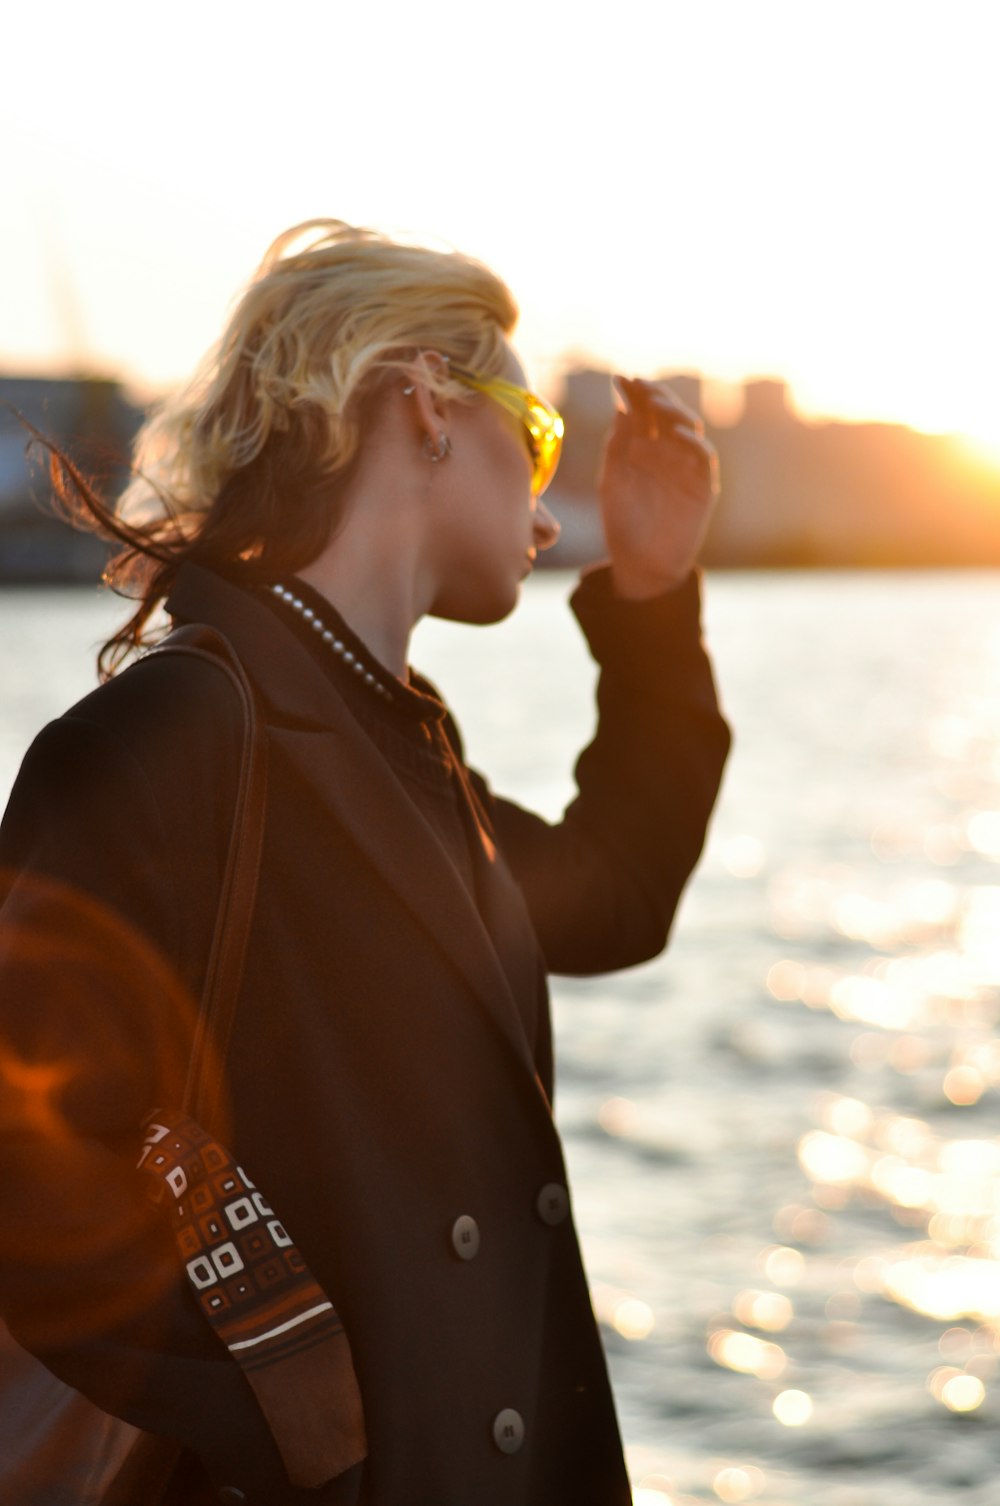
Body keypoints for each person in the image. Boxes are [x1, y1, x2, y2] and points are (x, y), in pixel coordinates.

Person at [0, 219, 730, 1505]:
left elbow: (614, 896)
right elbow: (28, 1173)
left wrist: (657, 590)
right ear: (427, 403)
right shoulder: (170, 735)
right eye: (540, 434)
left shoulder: (398, 742)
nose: (551, 493)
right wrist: (301, 1424)